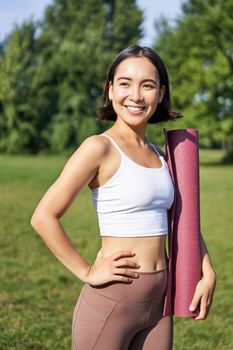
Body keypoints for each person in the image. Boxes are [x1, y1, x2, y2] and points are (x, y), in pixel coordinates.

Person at [31, 45, 216, 350]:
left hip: (160, 303)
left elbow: (183, 222)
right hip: (112, 299)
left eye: (148, 85)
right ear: (110, 90)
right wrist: (87, 271)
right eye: (125, 83)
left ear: (160, 93)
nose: (136, 95)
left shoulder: (161, 155)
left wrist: (206, 269)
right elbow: (43, 216)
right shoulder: (98, 148)